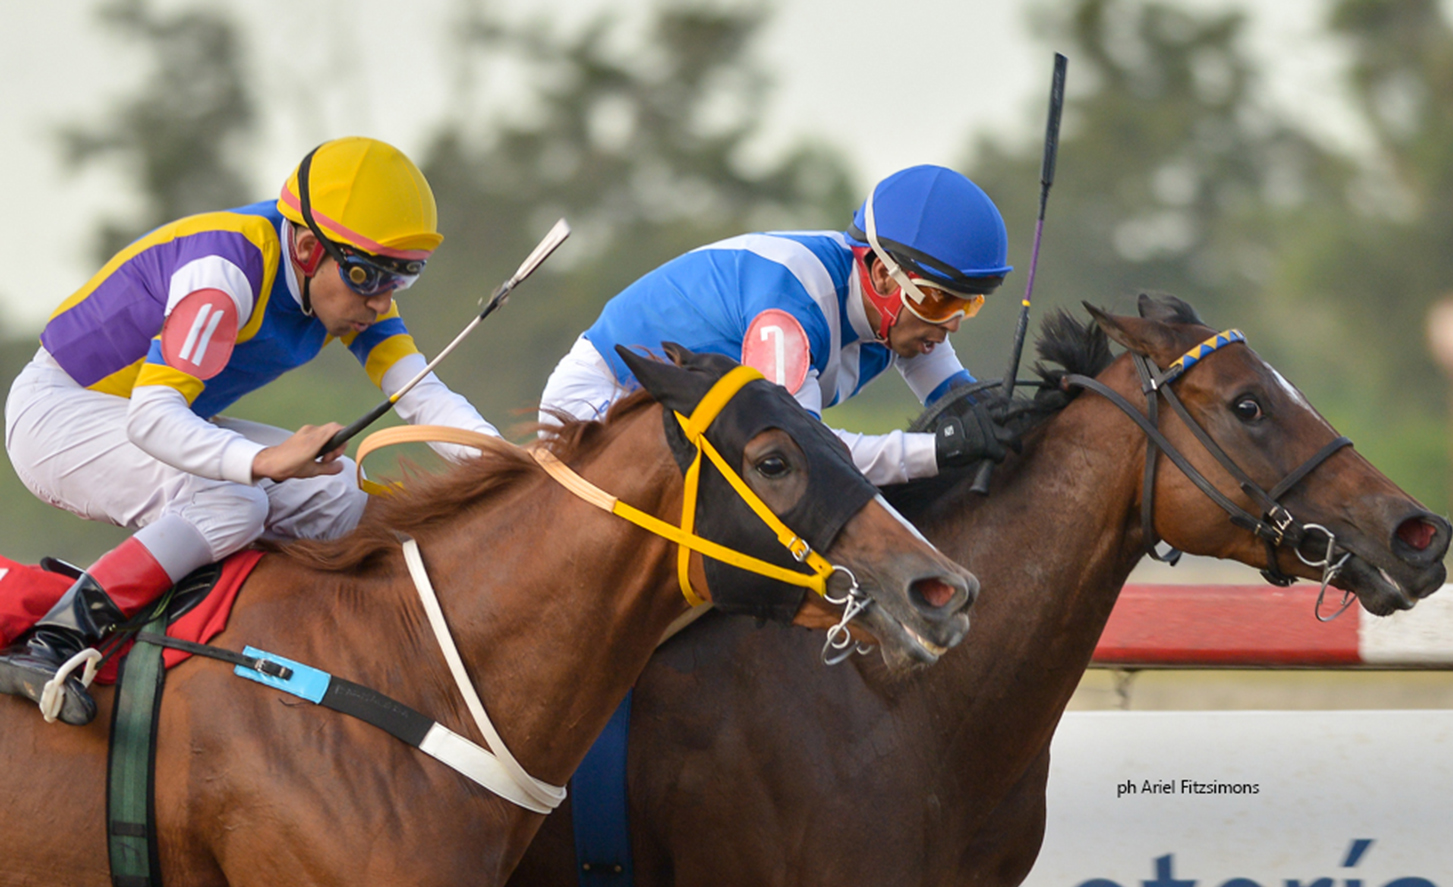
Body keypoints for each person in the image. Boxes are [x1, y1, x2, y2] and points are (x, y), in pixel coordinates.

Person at [2, 137, 498, 720]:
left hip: (158, 416)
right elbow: (152, 417)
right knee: (234, 502)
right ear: (308, 248)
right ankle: (54, 639)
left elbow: (424, 397)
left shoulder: (346, 282)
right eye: (368, 277)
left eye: (400, 279)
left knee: (342, 494)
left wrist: (519, 472)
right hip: (60, 415)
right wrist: (264, 463)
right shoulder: (224, 275)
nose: (379, 301)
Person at [538, 163, 1017, 486]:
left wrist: (1019, 421)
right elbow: (806, 457)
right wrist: (938, 450)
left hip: (684, 422)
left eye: (967, 306)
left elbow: (962, 404)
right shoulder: (790, 306)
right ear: (882, 276)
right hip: (601, 403)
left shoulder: (903, 314)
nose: (952, 324)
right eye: (940, 301)